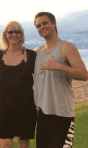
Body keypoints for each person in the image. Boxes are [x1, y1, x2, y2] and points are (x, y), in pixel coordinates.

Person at [34, 12, 88, 148]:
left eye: (45, 23)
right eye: (38, 25)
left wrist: (59, 67)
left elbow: (83, 74)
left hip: (62, 114)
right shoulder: (37, 52)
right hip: (41, 114)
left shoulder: (66, 47)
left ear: (54, 23)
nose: (42, 27)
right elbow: (16, 53)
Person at [0, 21, 37, 148]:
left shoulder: (31, 55)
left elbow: (42, 77)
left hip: (26, 106)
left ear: (22, 35)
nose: (14, 34)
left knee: (23, 144)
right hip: (4, 107)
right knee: (5, 143)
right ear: (5, 35)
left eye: (18, 32)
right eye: (10, 32)